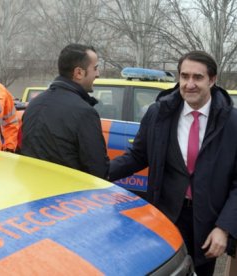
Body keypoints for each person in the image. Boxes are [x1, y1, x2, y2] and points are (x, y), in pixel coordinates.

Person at [109, 50, 237, 275]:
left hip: (207, 223)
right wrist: (95, 173)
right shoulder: (159, 113)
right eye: (184, 76)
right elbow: (138, 156)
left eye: (198, 77)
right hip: (166, 216)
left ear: (213, 80)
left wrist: (224, 228)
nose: (189, 84)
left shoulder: (232, 122)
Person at [20, 43, 109, 179]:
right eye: (95, 68)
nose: (98, 74)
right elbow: (98, 170)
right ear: (79, 73)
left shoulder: (34, 104)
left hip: (33, 191)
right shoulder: (84, 112)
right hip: (67, 195)